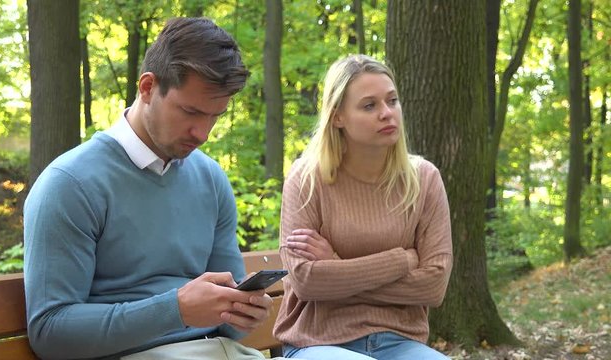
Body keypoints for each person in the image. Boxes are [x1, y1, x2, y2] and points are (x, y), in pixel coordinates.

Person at [24, 17, 286, 360]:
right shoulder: (70, 184)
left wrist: (243, 311)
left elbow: (229, 326)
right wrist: (174, 310)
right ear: (147, 87)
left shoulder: (210, 179)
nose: (202, 133)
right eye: (191, 112)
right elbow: (50, 331)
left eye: (215, 116)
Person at [272, 54, 453, 360]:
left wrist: (336, 263)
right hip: (316, 343)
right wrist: (401, 261)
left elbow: (433, 286)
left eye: (392, 101)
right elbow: (306, 280)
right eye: (369, 105)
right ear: (338, 116)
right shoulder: (307, 179)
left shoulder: (424, 179)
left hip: (400, 342)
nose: (386, 113)